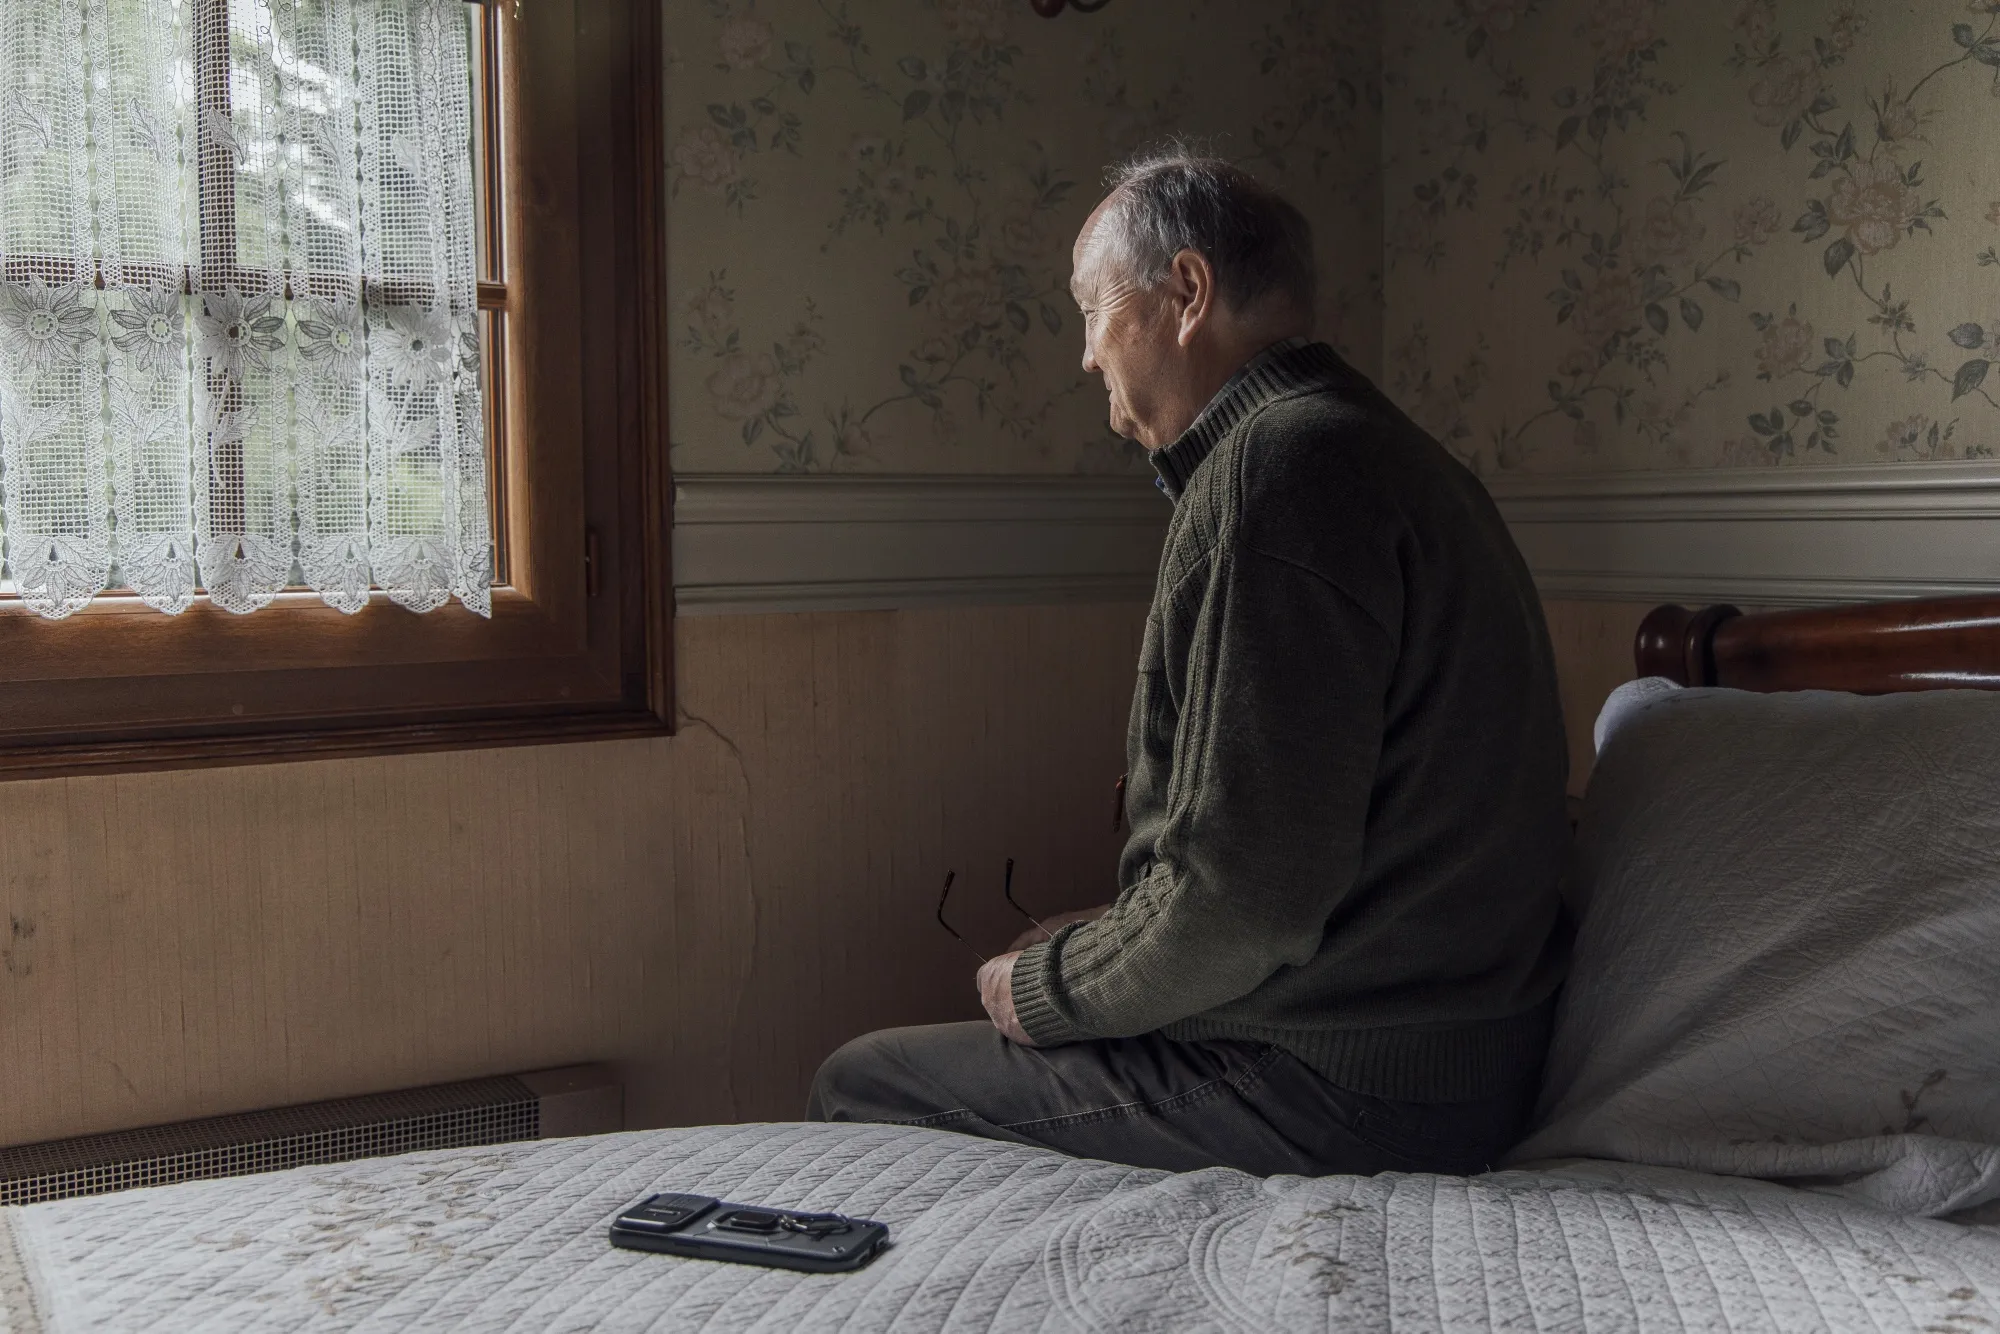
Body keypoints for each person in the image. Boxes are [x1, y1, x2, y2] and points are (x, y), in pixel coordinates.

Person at [807, 145, 1571, 1178]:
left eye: (1090, 310)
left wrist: (1047, 989)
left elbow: (1243, 902)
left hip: (1341, 1085)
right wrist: (1116, 934)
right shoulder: (1392, 455)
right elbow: (1303, 845)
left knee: (860, 1081)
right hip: (1448, 1061)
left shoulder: (1275, 470)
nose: (1084, 356)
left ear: (1186, 290)